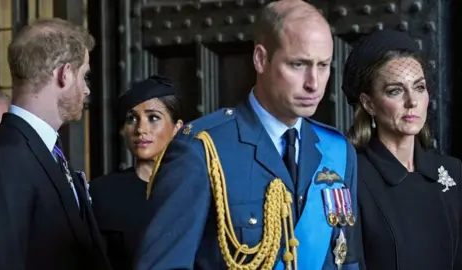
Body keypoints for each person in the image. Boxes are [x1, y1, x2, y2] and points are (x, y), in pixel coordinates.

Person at [134, 0, 363, 269]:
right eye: (298, 65)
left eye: (323, 65)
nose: (313, 83)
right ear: (261, 59)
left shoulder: (337, 151)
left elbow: (348, 260)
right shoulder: (201, 151)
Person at [0, 18, 111, 270]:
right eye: (83, 76)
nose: (86, 89)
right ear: (64, 74)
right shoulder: (5, 158)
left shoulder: (46, 151)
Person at [343, 29, 462, 269]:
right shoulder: (352, 177)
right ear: (369, 104)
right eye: (395, 91)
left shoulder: (453, 171)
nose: (412, 102)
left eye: (419, 87)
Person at [89, 75, 183, 270]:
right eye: (132, 118)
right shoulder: (102, 192)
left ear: (176, 128)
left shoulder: (192, 189)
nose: (141, 129)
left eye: (153, 118)